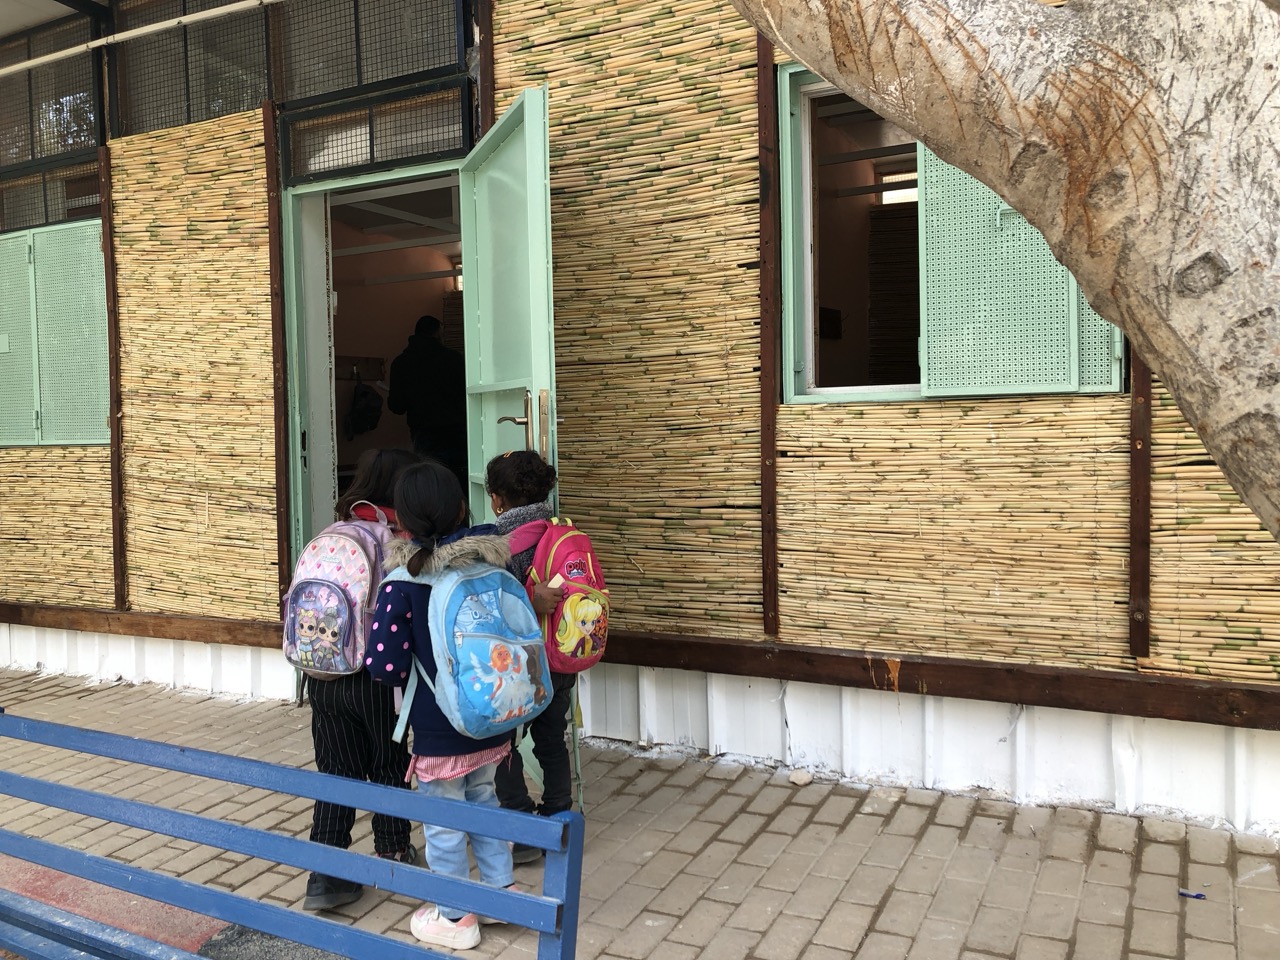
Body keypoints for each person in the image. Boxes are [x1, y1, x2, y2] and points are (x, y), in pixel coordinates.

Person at [365, 460, 519, 951]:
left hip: (439, 727)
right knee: (485, 802)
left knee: (444, 820)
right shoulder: (490, 565)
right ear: (460, 510)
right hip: (492, 716)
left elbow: (383, 666)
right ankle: (499, 895)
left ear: (402, 522)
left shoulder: (401, 585)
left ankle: (454, 916)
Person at [303, 447, 422, 912]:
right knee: (388, 764)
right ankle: (393, 851)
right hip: (374, 675)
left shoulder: (332, 532)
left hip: (323, 668)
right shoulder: (396, 541)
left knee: (336, 770)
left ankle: (326, 875)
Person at [485, 451, 573, 863]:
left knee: (502, 742)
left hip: (515, 665)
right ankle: (560, 817)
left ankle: (520, 826)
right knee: (552, 739)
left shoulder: (497, 545)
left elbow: (492, 605)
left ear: (497, 499)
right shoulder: (565, 533)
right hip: (559, 658)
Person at [386, 315, 467, 488]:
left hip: (423, 432)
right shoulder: (453, 359)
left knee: (430, 482)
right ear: (437, 333)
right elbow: (465, 394)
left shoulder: (401, 363)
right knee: (459, 479)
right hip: (456, 430)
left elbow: (397, 406)